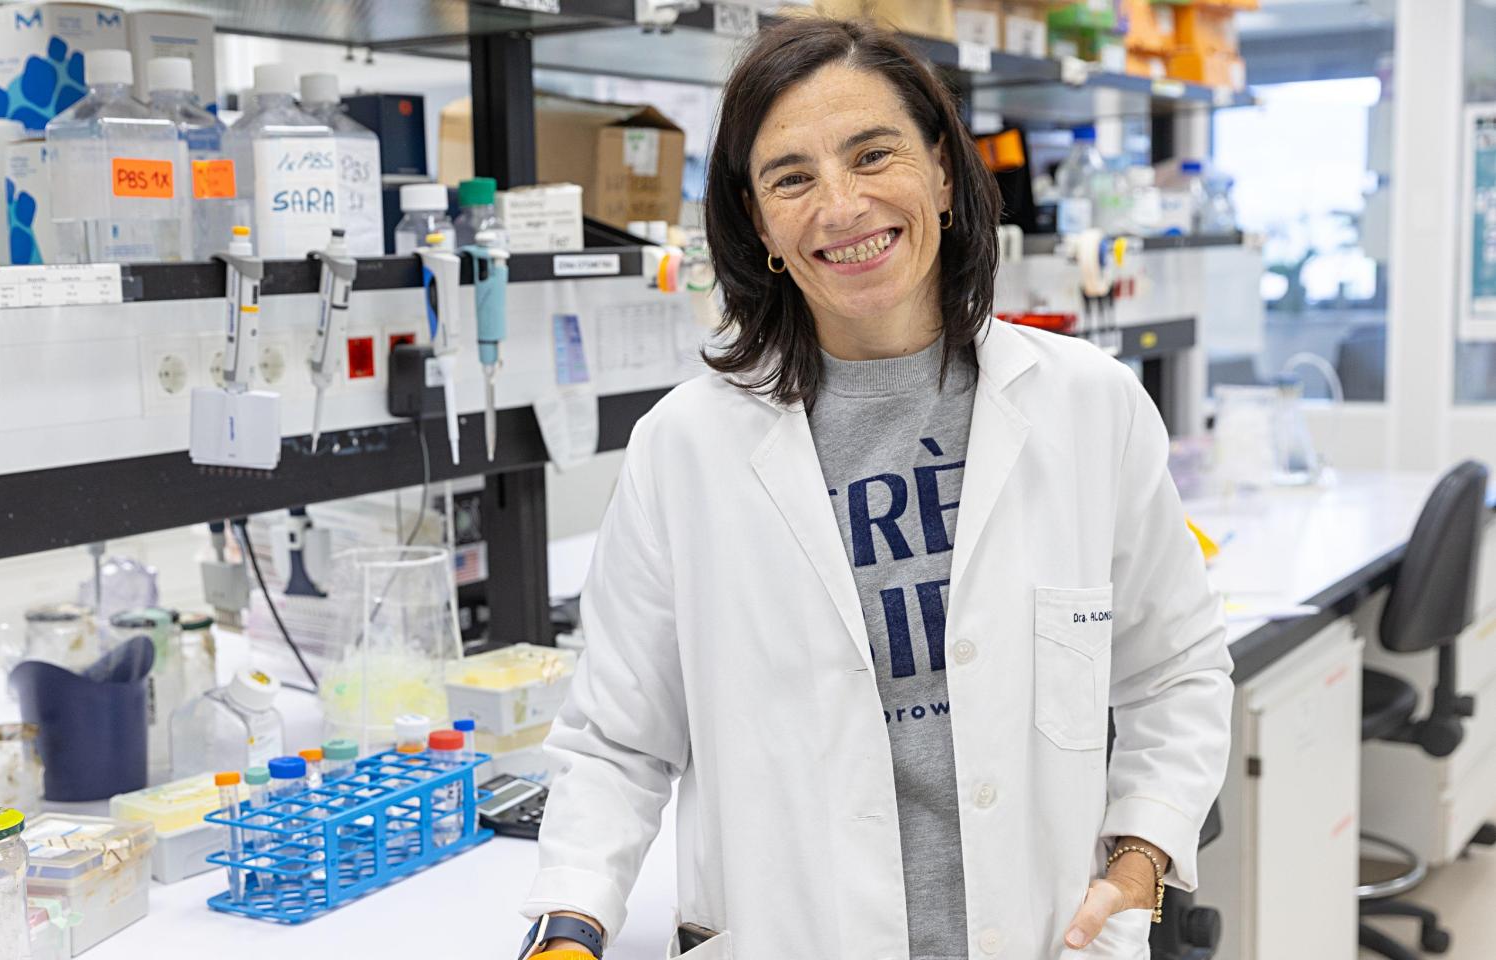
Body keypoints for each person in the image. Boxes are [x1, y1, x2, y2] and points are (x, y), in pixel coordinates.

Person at [515, 17, 1233, 960]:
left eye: (872, 153)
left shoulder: (1089, 408)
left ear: (942, 172)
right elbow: (619, 742)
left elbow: (1176, 669)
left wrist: (1140, 857)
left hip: (1046, 935)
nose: (841, 205)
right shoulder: (683, 449)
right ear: (759, 222)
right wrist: (571, 924)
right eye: (791, 177)